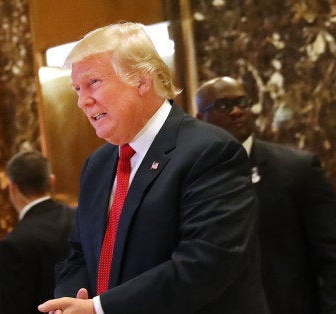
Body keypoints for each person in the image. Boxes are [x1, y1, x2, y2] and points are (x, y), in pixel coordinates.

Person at [38, 22, 268, 314]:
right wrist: (70, 302)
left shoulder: (210, 151)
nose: (83, 101)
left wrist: (99, 308)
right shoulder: (97, 165)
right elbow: (79, 255)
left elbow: (206, 263)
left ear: (142, 81)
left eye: (94, 82)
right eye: (77, 89)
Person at [195, 76, 336, 314]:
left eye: (243, 102)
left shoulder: (296, 169)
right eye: (224, 106)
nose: (237, 111)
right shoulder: (194, 178)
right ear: (200, 119)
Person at [0, 151, 75, 314]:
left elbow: (13, 308)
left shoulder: (13, 243)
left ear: (12, 188)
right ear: (51, 182)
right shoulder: (78, 217)